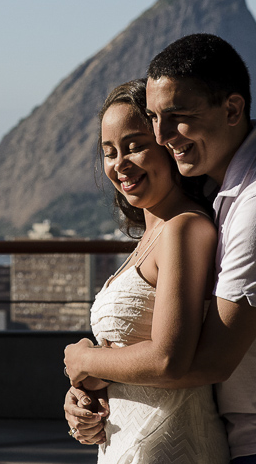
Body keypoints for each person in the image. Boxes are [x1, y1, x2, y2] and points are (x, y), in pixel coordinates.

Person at [65, 34, 256, 464]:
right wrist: (84, 383)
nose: (162, 135)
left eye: (177, 117)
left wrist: (86, 362)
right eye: (154, 118)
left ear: (231, 109)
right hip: (243, 433)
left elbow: (201, 360)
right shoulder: (217, 191)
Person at [62, 79, 230, 464]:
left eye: (135, 146)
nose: (120, 163)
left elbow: (169, 359)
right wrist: (85, 399)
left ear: (167, 146)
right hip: (129, 444)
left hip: (170, 446)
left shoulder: (183, 229)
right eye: (109, 152)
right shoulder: (152, 235)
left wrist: (84, 359)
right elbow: (129, 357)